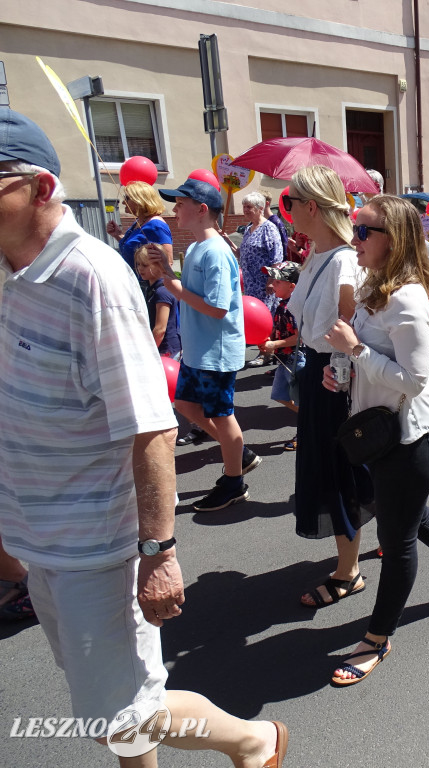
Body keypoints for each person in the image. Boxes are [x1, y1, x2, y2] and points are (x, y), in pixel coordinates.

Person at [0, 106, 288, 767]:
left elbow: (152, 426)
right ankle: (253, 742)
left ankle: (254, 740)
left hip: (96, 544)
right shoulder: (12, 270)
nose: (175, 209)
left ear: (39, 188)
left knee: (123, 716)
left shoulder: (94, 278)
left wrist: (159, 552)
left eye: (186, 202)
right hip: (41, 537)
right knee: (115, 711)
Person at [323, 194, 429, 686]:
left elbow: (415, 381)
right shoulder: (375, 285)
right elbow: (371, 359)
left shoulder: (408, 298)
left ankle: (376, 638)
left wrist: (356, 350)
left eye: (363, 230)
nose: (354, 238)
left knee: (396, 541)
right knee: (406, 514)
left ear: (392, 240)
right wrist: (343, 372)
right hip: (381, 430)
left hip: (413, 435)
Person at [281, 165, 373, 610]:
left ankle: (349, 571)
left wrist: (340, 374)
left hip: (332, 377)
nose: (286, 209)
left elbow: (351, 328)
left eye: (290, 202)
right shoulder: (318, 255)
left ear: (312, 207)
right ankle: (365, 548)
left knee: (339, 472)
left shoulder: (342, 261)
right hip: (316, 373)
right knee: (332, 468)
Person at [153, 178, 262, 512]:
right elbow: (194, 295)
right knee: (185, 405)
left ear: (201, 210)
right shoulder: (196, 248)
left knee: (222, 417)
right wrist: (167, 271)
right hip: (199, 349)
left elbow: (217, 308)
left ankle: (234, 482)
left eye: (180, 204)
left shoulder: (215, 251)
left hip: (216, 351)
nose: (174, 210)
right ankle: (239, 453)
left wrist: (174, 287)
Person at [237, 191, 285, 366]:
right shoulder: (249, 228)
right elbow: (244, 253)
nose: (245, 210)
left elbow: (276, 257)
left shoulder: (269, 228)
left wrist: (271, 281)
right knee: (256, 319)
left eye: (249, 207)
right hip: (251, 283)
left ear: (259, 208)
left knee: (265, 318)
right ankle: (263, 351)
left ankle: (266, 353)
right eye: (244, 207)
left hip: (264, 284)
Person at [258, 262, 302, 451]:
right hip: (284, 358)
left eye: (277, 282)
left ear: (292, 286)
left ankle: (306, 429)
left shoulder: (295, 306)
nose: (272, 284)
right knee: (279, 394)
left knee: (300, 398)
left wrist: (275, 344)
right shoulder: (282, 304)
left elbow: (300, 337)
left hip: (296, 358)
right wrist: (270, 338)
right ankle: (310, 418)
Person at [105, 180, 174, 272]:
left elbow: (168, 262)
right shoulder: (139, 221)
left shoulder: (156, 226)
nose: (123, 202)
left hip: (146, 281)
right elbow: (133, 245)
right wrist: (117, 235)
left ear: (139, 200)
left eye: (127, 198)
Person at [135, 245, 181, 360]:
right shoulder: (151, 288)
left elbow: (160, 329)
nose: (140, 268)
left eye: (145, 265)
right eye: (138, 264)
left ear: (159, 265)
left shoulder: (162, 291)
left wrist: (148, 353)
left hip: (166, 350)